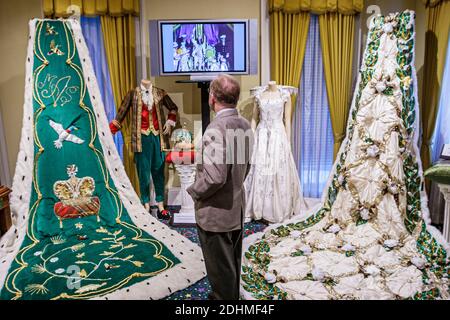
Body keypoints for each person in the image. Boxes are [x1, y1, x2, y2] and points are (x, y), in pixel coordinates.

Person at [187, 75, 253, 300]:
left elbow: (214, 178)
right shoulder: (244, 125)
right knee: (231, 268)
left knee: (221, 275)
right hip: (236, 209)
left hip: (215, 216)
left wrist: (194, 191)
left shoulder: (216, 128)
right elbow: (246, 168)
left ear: (212, 97)